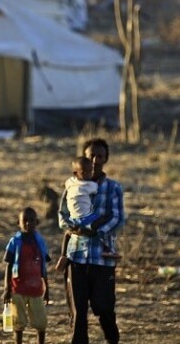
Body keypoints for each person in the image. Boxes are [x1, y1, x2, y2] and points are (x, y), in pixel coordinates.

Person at [58, 138, 126, 344]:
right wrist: (73, 227)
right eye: (91, 156)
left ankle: (112, 338)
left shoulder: (113, 188)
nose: (95, 160)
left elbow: (117, 218)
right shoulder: (71, 186)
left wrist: (95, 231)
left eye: (100, 156)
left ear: (106, 159)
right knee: (78, 311)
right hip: (76, 255)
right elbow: (62, 214)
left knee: (103, 307)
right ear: (82, 160)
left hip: (102, 256)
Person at [55, 157, 119, 273]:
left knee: (68, 234)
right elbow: (98, 186)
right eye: (86, 172)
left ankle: (63, 256)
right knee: (100, 220)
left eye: (91, 171)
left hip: (74, 219)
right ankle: (106, 248)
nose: (90, 174)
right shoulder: (89, 185)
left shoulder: (70, 183)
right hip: (85, 218)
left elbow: (63, 216)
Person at [2, 207, 51, 344]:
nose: (28, 223)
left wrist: (47, 288)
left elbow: (43, 267)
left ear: (37, 222)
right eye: (25, 220)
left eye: (32, 220)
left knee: (41, 322)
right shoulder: (14, 242)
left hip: (36, 289)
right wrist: (7, 289)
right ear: (19, 223)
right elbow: (9, 265)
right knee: (18, 322)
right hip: (18, 289)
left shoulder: (40, 242)